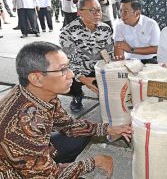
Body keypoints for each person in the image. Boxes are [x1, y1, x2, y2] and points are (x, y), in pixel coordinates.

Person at [0, 41, 132, 178]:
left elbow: (68, 125)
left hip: (35, 154)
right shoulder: (22, 126)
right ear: (36, 79)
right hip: (16, 174)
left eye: (68, 67)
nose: (71, 75)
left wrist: (108, 129)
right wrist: (95, 162)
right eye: (62, 70)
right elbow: (48, 176)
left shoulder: (40, 93)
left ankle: (50, 161)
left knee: (82, 133)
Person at [60, 0, 113, 112]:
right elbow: (71, 61)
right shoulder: (67, 32)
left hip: (98, 67)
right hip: (78, 69)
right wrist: (83, 79)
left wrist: (107, 72)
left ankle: (103, 93)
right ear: (79, 12)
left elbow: (108, 54)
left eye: (99, 9)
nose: (97, 13)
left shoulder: (105, 29)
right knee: (66, 76)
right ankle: (77, 95)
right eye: (91, 10)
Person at [114, 0, 160, 64]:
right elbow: (118, 47)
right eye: (121, 11)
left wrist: (131, 49)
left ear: (137, 13)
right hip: (130, 61)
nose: (122, 15)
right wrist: (120, 64)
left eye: (125, 12)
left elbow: (156, 49)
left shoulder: (151, 24)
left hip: (150, 59)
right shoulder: (119, 25)